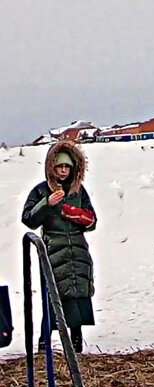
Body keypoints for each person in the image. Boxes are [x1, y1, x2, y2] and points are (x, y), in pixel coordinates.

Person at [21, 140, 97, 353]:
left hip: (78, 251)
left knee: (77, 295)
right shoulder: (41, 190)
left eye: (67, 167)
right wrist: (46, 204)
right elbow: (28, 219)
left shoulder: (79, 192)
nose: (63, 171)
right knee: (53, 297)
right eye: (59, 167)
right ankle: (45, 342)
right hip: (53, 251)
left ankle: (76, 342)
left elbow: (93, 222)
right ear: (51, 167)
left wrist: (82, 216)